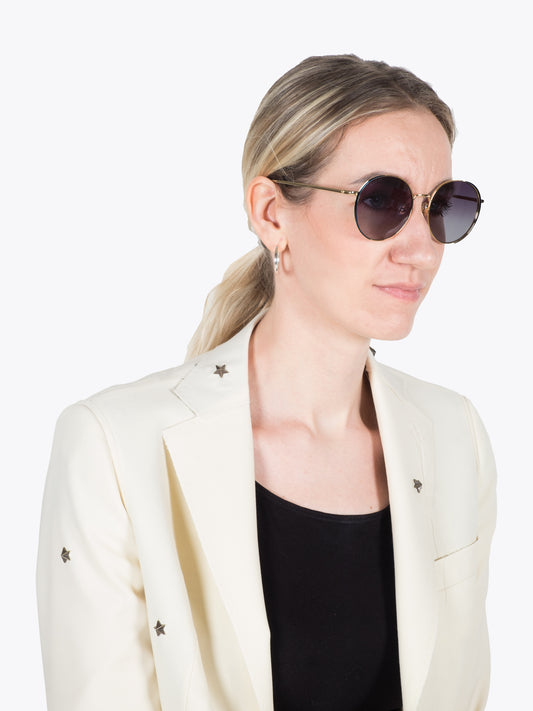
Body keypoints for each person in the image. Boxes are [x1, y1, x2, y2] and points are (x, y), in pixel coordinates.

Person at [36, 54, 496, 711]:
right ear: (272, 212)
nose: (421, 247)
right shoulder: (114, 445)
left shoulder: (455, 436)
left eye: (444, 207)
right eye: (381, 202)